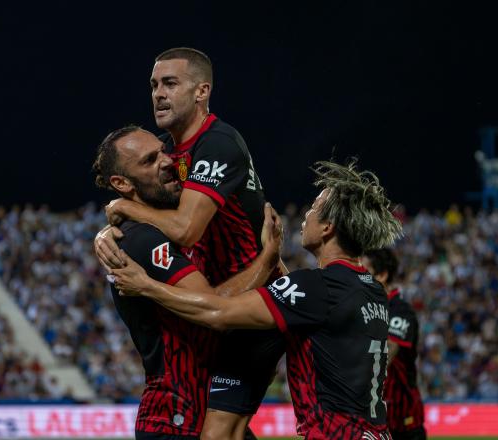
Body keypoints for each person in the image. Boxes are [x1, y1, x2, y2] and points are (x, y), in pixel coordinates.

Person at [109, 160, 403, 439]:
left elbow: (218, 312)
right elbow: (305, 305)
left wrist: (147, 286)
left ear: (328, 228)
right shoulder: (371, 288)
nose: (306, 215)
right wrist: (272, 258)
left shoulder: (318, 287)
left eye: (314, 208)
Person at [94, 47, 284, 439]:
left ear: (202, 92)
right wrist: (110, 223)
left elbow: (184, 230)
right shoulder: (172, 153)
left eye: (170, 83)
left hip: (250, 308)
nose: (158, 94)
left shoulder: (216, 143)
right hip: (212, 320)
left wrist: (123, 208)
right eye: (153, 85)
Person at [362, 249, 426, 440]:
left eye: (364, 273)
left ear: (382, 275)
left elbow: (386, 354)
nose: (358, 280)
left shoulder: (400, 311)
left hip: (403, 419)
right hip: (374, 418)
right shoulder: (365, 309)